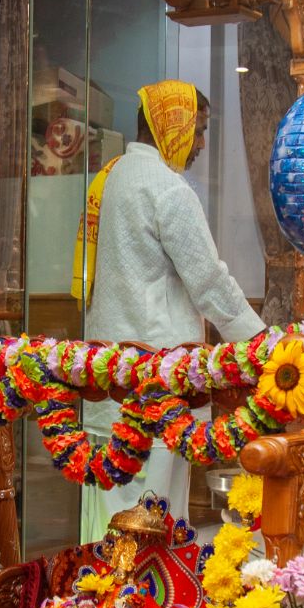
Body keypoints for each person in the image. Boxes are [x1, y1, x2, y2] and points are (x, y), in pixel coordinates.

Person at [73, 80, 262, 540]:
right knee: (154, 527)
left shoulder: (111, 176)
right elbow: (210, 282)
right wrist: (259, 344)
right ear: (172, 124)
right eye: (198, 129)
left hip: (109, 379)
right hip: (160, 380)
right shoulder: (168, 189)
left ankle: (99, 607)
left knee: (107, 523)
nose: (199, 143)